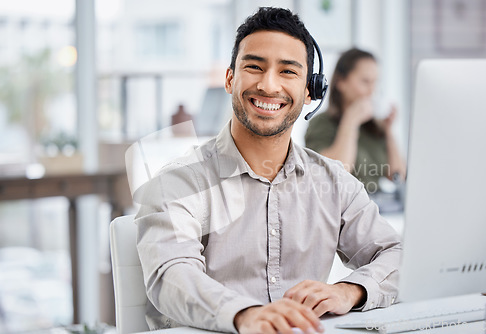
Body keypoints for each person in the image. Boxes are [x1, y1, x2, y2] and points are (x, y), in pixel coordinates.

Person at [135, 7, 401, 334]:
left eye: (288, 71)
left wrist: (349, 291)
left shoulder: (334, 182)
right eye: (254, 67)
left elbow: (396, 254)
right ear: (230, 78)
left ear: (309, 92)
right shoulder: (179, 182)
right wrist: (245, 314)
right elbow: (172, 275)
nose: (268, 85)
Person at [305, 48, 406, 193]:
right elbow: (336, 173)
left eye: (375, 82)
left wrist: (389, 131)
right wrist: (350, 121)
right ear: (341, 82)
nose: (372, 91)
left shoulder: (373, 126)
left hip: (375, 205)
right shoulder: (321, 124)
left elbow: (397, 175)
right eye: (365, 82)